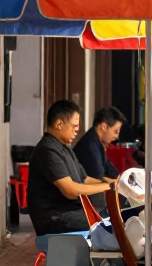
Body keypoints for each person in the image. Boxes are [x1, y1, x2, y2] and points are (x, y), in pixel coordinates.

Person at [27, 100, 116, 236]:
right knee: (110, 220)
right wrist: (109, 187)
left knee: (113, 213)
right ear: (59, 124)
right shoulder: (47, 150)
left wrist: (115, 183)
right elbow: (70, 190)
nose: (77, 129)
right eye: (74, 126)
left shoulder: (65, 149)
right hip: (54, 218)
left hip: (70, 213)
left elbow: (85, 179)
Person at [74, 106, 127, 213]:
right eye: (116, 131)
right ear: (104, 126)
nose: (117, 136)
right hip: (86, 201)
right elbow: (98, 179)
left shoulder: (97, 142)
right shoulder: (89, 145)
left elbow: (111, 172)